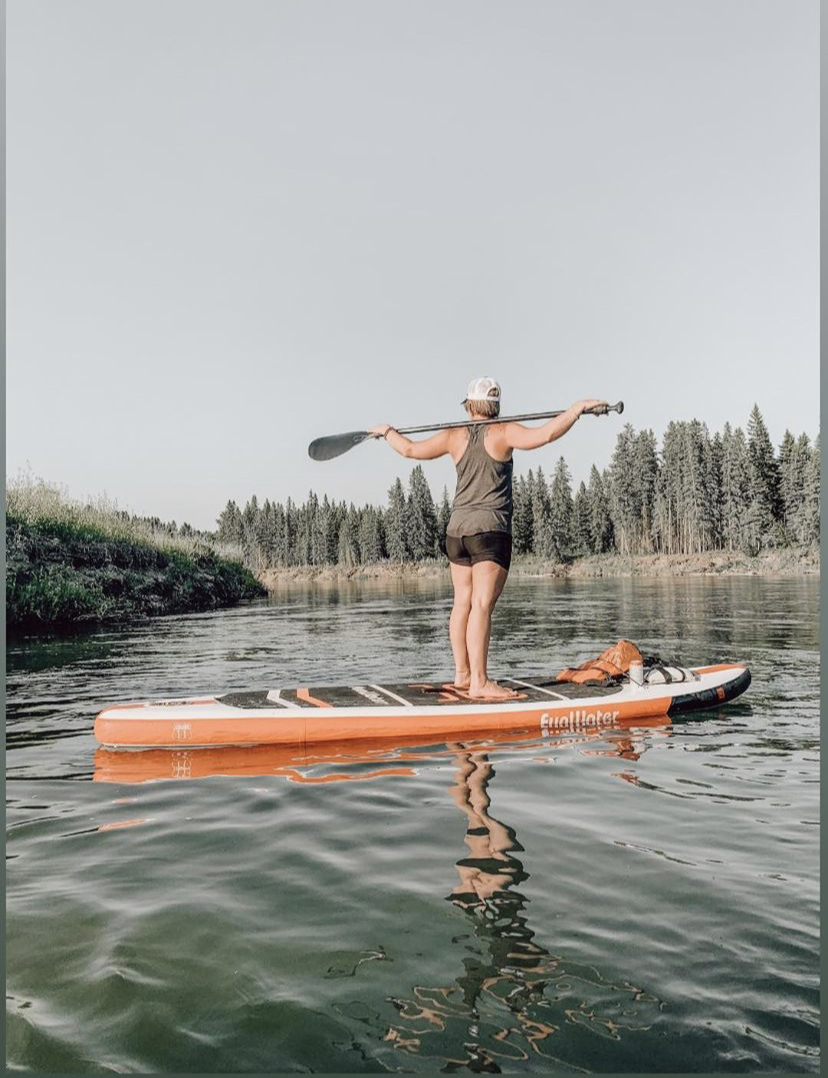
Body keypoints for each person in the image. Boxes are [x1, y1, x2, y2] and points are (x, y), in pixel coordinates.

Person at [371, 377, 607, 700]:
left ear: (469, 406)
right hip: (489, 531)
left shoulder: (454, 436)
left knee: (462, 604)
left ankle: (463, 676)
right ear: (496, 406)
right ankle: (480, 682)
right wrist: (577, 409)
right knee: (481, 605)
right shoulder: (503, 431)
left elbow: (410, 449)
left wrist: (387, 432)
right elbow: (547, 434)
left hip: (457, 533)